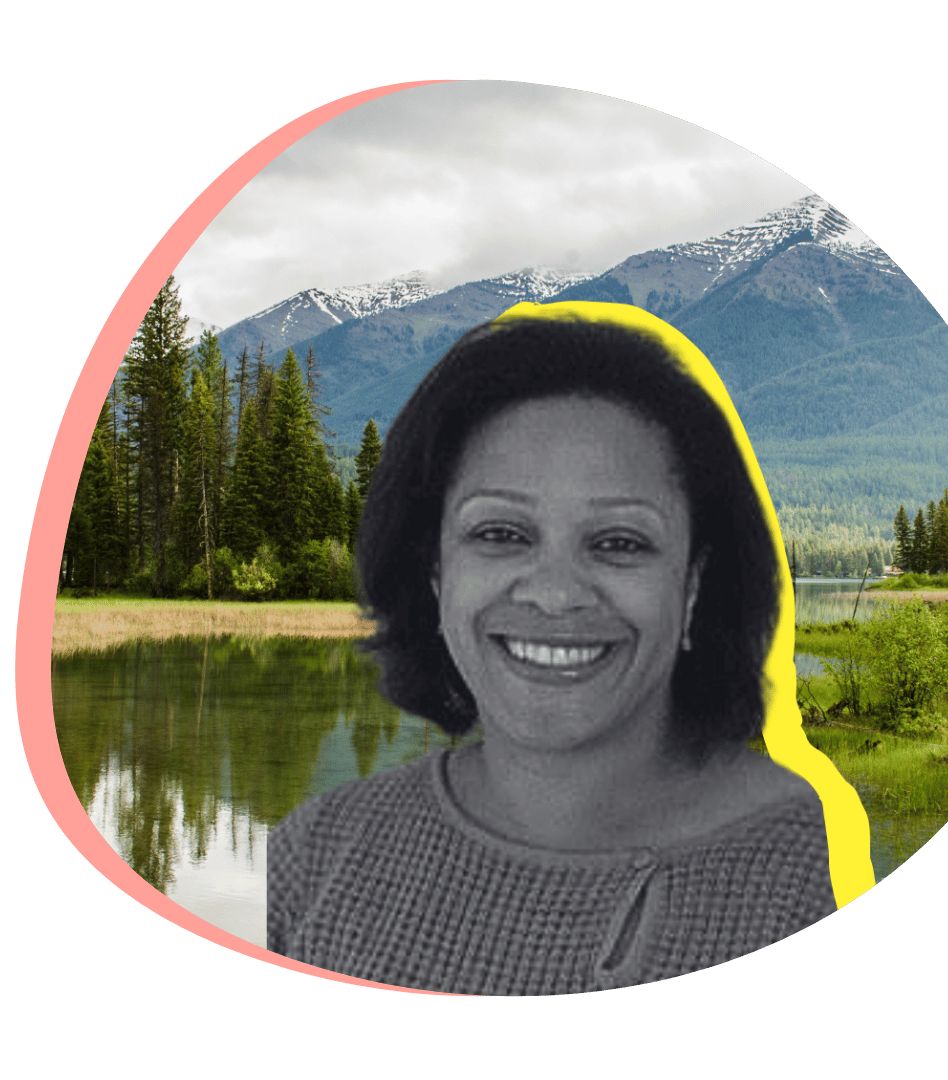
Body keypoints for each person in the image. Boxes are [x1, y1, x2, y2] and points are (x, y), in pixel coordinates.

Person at [267, 301, 871, 994]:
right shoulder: (314, 854)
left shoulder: (815, 866)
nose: (555, 595)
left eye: (619, 543)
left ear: (694, 586)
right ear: (436, 573)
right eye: (500, 534)